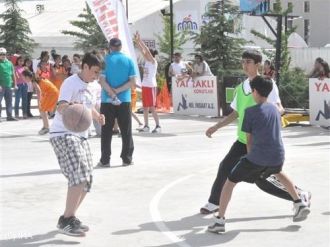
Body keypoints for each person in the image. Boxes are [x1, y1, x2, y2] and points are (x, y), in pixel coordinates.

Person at [200, 49, 311, 214]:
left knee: (263, 180)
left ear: (257, 64)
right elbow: (236, 113)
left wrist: (270, 114)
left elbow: (279, 107)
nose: (244, 65)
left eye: (248, 62)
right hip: (244, 139)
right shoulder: (241, 87)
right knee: (225, 167)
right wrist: (216, 127)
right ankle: (214, 202)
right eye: (243, 61)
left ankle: (299, 196)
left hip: (261, 142)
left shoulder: (266, 84)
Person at [49, 52, 105, 236]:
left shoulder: (95, 86)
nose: (96, 76)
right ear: (85, 66)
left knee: (87, 179)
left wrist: (99, 116)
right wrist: (71, 107)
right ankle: (66, 220)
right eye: (94, 71)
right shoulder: (71, 82)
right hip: (63, 133)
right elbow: (61, 106)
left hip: (82, 135)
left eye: (98, 73)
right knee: (79, 175)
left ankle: (69, 217)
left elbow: (91, 108)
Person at [97, 37, 137, 168]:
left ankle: (105, 160)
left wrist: (112, 93)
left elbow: (102, 81)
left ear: (110, 47)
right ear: (121, 47)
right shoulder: (129, 61)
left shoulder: (105, 61)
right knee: (126, 131)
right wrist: (118, 91)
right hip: (124, 100)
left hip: (107, 100)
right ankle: (127, 158)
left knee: (106, 130)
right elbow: (132, 83)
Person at [134, 32, 161, 133]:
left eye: (148, 53)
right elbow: (142, 50)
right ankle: (146, 126)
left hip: (150, 86)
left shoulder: (153, 61)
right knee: (145, 107)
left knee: (151, 108)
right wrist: (137, 41)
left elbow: (146, 51)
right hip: (145, 86)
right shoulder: (147, 61)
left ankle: (158, 126)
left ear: (152, 55)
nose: (145, 54)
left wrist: (140, 41)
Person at [22, 70, 59, 135]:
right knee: (43, 110)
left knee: (42, 110)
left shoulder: (34, 81)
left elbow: (39, 91)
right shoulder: (36, 79)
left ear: (27, 77)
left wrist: (39, 101)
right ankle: (45, 126)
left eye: (23, 77)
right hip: (52, 92)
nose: (23, 79)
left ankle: (46, 127)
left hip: (52, 93)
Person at [0, 47, 18, 121]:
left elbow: (13, 74)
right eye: (1, 54)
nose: (2, 55)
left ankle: (9, 116)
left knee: (9, 101)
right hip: (1, 86)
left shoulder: (9, 63)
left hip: (9, 85)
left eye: (4, 54)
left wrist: (15, 84)